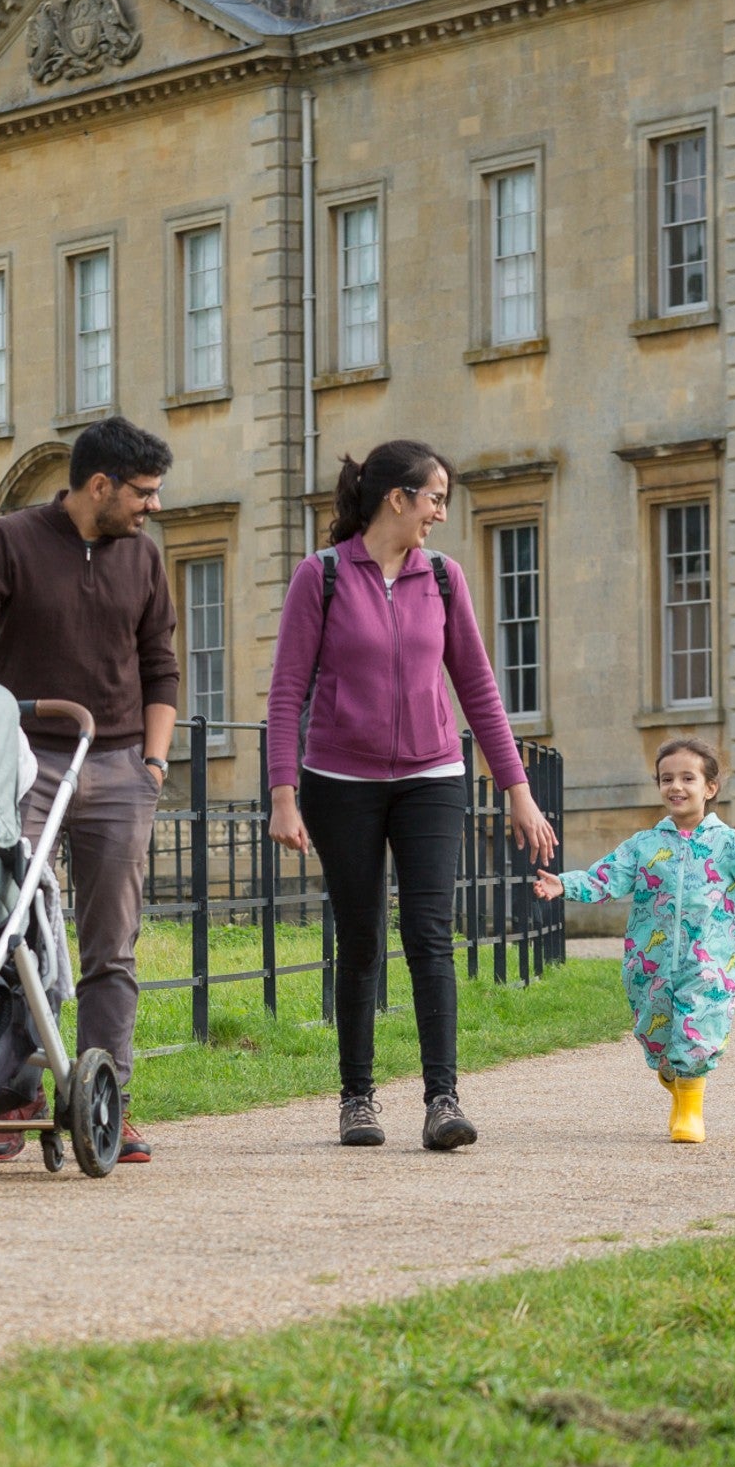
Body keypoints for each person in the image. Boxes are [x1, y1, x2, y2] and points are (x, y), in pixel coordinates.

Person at [265, 440, 557, 1153]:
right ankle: (357, 1099)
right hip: (342, 781)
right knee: (361, 938)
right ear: (396, 497)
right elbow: (285, 692)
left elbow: (479, 689)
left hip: (431, 777)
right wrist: (283, 794)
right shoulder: (323, 576)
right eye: (433, 498)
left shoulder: (446, 580)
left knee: (430, 935)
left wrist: (516, 788)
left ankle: (442, 1098)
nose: (439, 513)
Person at [0, 415, 179, 1163]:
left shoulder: (143, 559)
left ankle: (108, 1101)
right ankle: (16, 1094)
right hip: (29, 763)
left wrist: (154, 765)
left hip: (119, 767)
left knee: (113, 947)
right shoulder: (10, 540)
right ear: (98, 485)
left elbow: (161, 665)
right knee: (11, 936)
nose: (153, 507)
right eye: (143, 493)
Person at [534, 737, 735, 1144]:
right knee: (657, 1034)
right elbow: (606, 876)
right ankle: (670, 1071)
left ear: (709, 788)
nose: (675, 786)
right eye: (667, 779)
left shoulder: (729, 844)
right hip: (650, 960)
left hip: (708, 960)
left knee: (699, 1031)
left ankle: (690, 1110)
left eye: (687, 778)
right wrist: (566, 884)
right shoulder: (645, 845)